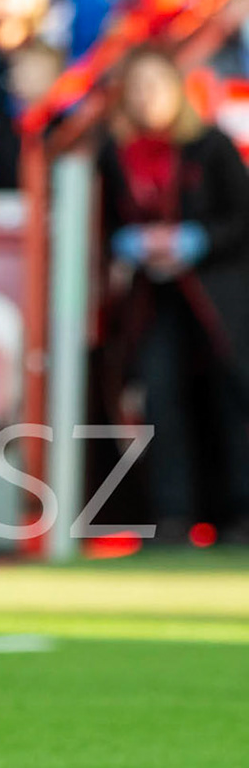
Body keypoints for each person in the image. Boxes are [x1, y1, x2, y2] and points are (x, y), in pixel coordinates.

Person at [97, 49, 249, 544]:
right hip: (153, 298)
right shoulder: (115, 154)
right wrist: (134, 244)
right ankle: (173, 515)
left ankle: (240, 514)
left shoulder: (211, 146)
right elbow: (105, 223)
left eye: (156, 86)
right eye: (137, 88)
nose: (147, 98)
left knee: (232, 399)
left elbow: (241, 218)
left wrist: (196, 240)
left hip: (217, 297)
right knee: (160, 399)